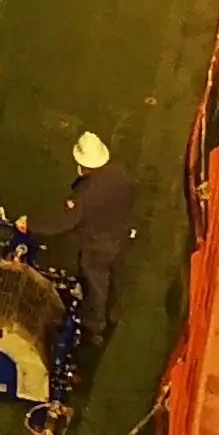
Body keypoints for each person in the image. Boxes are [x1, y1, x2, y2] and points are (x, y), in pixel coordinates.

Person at [61, 129, 137, 319]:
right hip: (120, 234)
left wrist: (31, 224)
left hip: (98, 244)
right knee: (111, 274)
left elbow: (65, 220)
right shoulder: (121, 174)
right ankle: (113, 307)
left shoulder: (85, 193)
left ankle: (95, 325)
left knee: (95, 282)